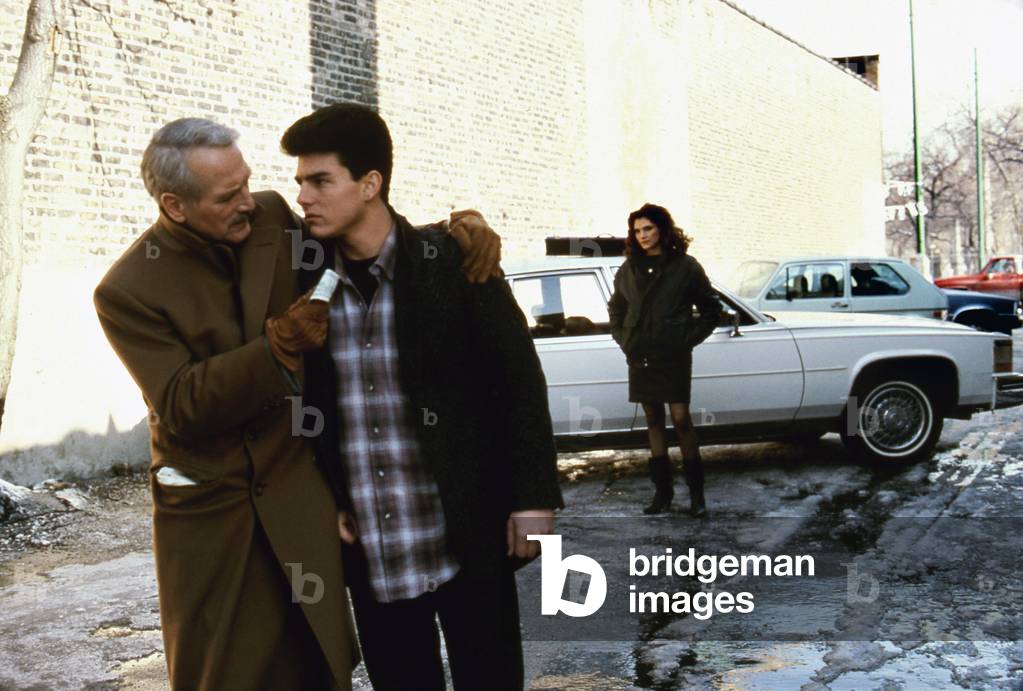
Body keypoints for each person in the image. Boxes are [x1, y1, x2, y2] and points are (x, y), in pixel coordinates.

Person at [93, 118, 501, 691]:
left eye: (246, 183)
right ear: (175, 206)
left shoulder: (272, 218)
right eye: (227, 195)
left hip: (297, 489)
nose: (247, 202)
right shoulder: (128, 290)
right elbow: (182, 403)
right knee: (224, 671)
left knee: (315, 661)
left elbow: (363, 236)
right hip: (216, 510)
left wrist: (453, 230)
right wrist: (276, 348)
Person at [280, 103, 563, 691]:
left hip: (464, 530)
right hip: (375, 544)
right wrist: (322, 497)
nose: (303, 196)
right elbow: (307, 411)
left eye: (320, 180)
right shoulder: (305, 280)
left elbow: (518, 383)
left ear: (370, 183)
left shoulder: (453, 262)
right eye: (300, 182)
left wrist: (534, 499)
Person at [608, 203, 721, 516]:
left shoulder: (686, 267)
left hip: (673, 355)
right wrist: (624, 338)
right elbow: (615, 308)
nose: (642, 236)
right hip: (640, 354)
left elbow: (711, 310)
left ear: (662, 229)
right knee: (653, 419)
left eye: (648, 228)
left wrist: (685, 339)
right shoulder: (628, 268)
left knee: (682, 418)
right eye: (637, 230)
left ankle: (697, 496)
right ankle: (663, 494)